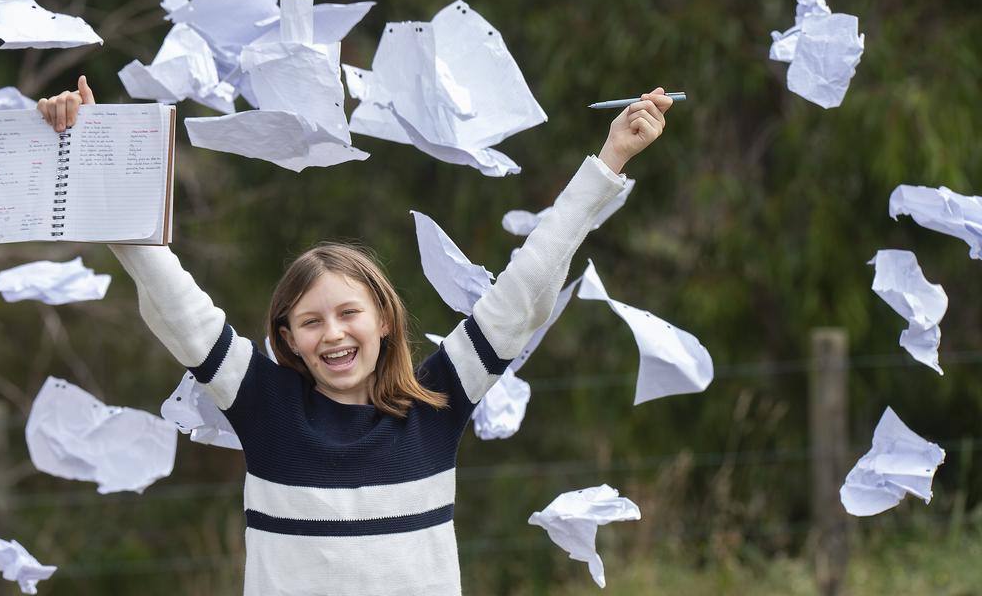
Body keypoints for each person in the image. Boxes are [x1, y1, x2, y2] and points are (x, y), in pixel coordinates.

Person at [38, 76, 671, 595]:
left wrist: (610, 160)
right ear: (286, 337)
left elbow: (529, 280)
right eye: (310, 321)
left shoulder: (440, 398)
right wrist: (95, 149)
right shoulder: (260, 403)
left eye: (349, 314)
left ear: (386, 320)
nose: (333, 334)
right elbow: (175, 301)